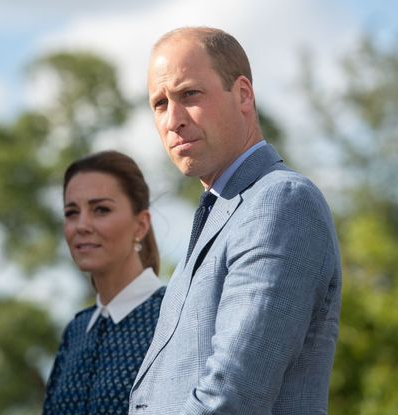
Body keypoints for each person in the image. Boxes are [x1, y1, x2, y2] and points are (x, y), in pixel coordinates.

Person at [128, 27, 342, 415]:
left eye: (189, 94)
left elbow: (233, 394)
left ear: (243, 94)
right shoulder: (219, 213)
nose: (173, 119)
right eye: (159, 103)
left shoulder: (280, 201)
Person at [42, 150, 165, 415]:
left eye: (101, 210)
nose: (81, 225)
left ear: (141, 225)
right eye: (71, 212)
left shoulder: (174, 315)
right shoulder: (75, 331)